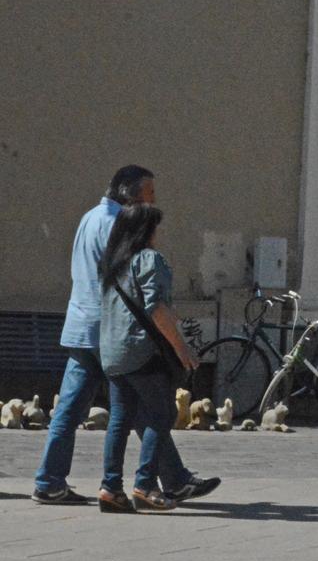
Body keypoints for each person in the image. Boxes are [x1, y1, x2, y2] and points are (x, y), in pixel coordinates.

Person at [34, 166, 152, 504]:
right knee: (141, 406)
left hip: (80, 326)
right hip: (108, 330)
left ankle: (48, 481)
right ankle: (167, 479)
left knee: (69, 412)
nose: (153, 202)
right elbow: (127, 280)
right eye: (149, 194)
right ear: (130, 195)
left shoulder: (90, 217)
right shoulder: (117, 224)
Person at [98, 204, 214, 512]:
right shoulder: (149, 260)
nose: (158, 233)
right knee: (161, 414)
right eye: (155, 227)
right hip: (142, 352)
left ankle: (110, 488)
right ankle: (146, 485)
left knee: (120, 420)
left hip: (112, 354)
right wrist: (182, 349)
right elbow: (156, 309)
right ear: (145, 231)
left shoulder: (113, 265)